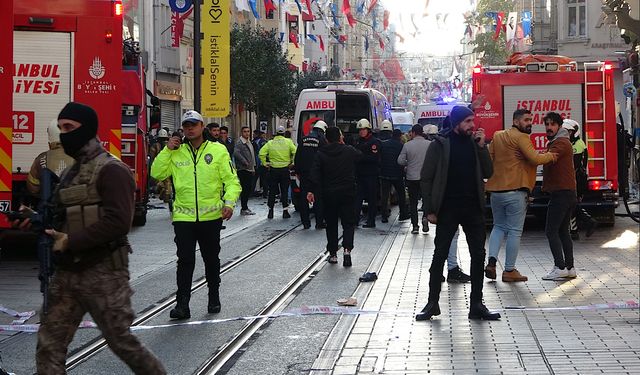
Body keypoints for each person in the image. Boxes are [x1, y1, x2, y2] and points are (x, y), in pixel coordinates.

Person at [24, 102, 166, 374]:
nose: (64, 134)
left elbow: (118, 222)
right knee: (49, 346)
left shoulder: (112, 170)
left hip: (103, 273)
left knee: (122, 343)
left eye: (70, 128)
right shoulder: (70, 173)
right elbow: (61, 216)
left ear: (87, 129)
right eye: (61, 128)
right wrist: (34, 219)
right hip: (67, 274)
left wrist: (70, 241)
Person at [151, 110, 241, 319]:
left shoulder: (218, 151)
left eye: (193, 124)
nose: (190, 129)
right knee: (185, 261)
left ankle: (213, 297)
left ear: (202, 127)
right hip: (184, 218)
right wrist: (167, 150)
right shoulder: (175, 152)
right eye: (186, 125)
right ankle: (182, 305)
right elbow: (156, 173)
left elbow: (232, 181)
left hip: (211, 218)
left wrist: (229, 203)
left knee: (211, 259)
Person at [417, 105, 500, 321]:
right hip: (448, 208)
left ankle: (477, 304)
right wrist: (429, 210)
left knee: (478, 255)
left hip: (473, 208)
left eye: (472, 121)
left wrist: (482, 147)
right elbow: (426, 178)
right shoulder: (440, 145)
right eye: (467, 122)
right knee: (439, 256)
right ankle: (432, 302)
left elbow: (489, 172)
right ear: (456, 124)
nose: (472, 126)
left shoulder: (475, 145)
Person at [484, 109, 557, 282]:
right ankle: (509, 270)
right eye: (526, 120)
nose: (530, 122)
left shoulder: (498, 135)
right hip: (515, 191)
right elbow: (535, 159)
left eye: (531, 119)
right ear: (516, 122)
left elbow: (489, 158)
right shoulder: (522, 137)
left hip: (496, 191)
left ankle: (492, 262)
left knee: (498, 227)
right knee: (515, 231)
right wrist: (552, 156)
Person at [308, 127, 362, 266]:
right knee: (348, 223)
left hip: (329, 194)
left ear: (326, 139)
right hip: (347, 193)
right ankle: (347, 250)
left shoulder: (320, 153)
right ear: (340, 137)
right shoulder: (349, 150)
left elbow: (315, 174)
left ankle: (332, 254)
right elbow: (360, 156)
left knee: (331, 224)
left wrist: (311, 191)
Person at [541, 112, 578, 281]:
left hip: (561, 194)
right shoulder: (561, 142)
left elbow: (549, 158)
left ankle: (560, 266)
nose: (549, 127)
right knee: (563, 231)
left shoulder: (560, 143)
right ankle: (570, 268)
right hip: (567, 192)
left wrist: (529, 156)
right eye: (547, 124)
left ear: (559, 126)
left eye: (552, 124)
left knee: (551, 231)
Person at [562, 119, 597, 240]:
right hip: (574, 178)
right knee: (571, 204)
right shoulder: (572, 143)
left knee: (572, 204)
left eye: (568, 131)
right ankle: (575, 230)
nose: (566, 134)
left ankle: (586, 223)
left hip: (577, 179)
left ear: (574, 132)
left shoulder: (578, 145)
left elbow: (574, 165)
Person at [294, 120, 328, 229]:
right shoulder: (321, 140)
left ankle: (306, 223)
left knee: (304, 198)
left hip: (304, 173)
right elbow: (324, 157)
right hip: (317, 174)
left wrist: (297, 171)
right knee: (319, 198)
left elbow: (297, 157)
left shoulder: (303, 139)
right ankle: (319, 222)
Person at [26, 119, 74, 195]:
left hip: (50, 204)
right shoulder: (79, 156)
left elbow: (33, 188)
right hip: (74, 203)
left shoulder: (41, 159)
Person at [398, 124, 430, 233]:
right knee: (426, 200)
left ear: (414, 133)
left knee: (413, 203)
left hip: (412, 178)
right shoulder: (429, 144)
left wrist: (408, 164)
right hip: (426, 178)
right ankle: (425, 218)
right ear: (422, 132)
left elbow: (400, 161)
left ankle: (415, 226)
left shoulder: (407, 145)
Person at [259, 126, 297, 219]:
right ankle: (285, 211)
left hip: (273, 170)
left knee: (272, 191)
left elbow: (261, 153)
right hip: (284, 170)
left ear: (276, 133)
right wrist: (292, 162)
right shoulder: (288, 142)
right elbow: (295, 151)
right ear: (284, 133)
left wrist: (265, 163)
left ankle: (270, 211)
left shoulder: (270, 143)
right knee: (284, 191)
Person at [379, 123, 409, 223]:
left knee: (385, 195)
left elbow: (380, 158)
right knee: (401, 195)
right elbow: (403, 160)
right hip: (397, 174)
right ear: (400, 136)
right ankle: (403, 214)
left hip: (385, 174)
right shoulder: (401, 146)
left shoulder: (384, 144)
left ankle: (384, 215)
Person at [354, 118, 381, 228]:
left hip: (371, 175)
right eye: (360, 130)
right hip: (360, 175)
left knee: (371, 199)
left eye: (363, 129)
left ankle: (371, 221)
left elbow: (375, 158)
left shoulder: (374, 142)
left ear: (368, 130)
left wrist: (361, 157)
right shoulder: (358, 141)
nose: (361, 131)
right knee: (357, 198)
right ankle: (355, 220)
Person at [233, 126, 256, 215]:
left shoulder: (248, 142)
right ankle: (244, 208)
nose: (247, 133)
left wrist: (253, 167)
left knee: (248, 188)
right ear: (241, 133)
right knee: (245, 189)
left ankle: (245, 207)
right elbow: (236, 153)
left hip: (249, 169)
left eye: (248, 131)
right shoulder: (240, 143)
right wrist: (244, 162)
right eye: (245, 131)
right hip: (243, 169)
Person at [148, 129, 173, 204]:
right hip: (164, 167)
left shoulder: (155, 145)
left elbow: (152, 157)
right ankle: (164, 195)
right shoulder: (168, 145)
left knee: (164, 183)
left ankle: (164, 195)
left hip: (160, 167)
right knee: (166, 183)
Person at [252, 129, 268, 197]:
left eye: (254, 134)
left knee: (256, 179)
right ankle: (265, 193)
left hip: (258, 163)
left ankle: (251, 192)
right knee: (263, 179)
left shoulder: (256, 142)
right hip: (261, 163)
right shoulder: (263, 142)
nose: (253, 135)